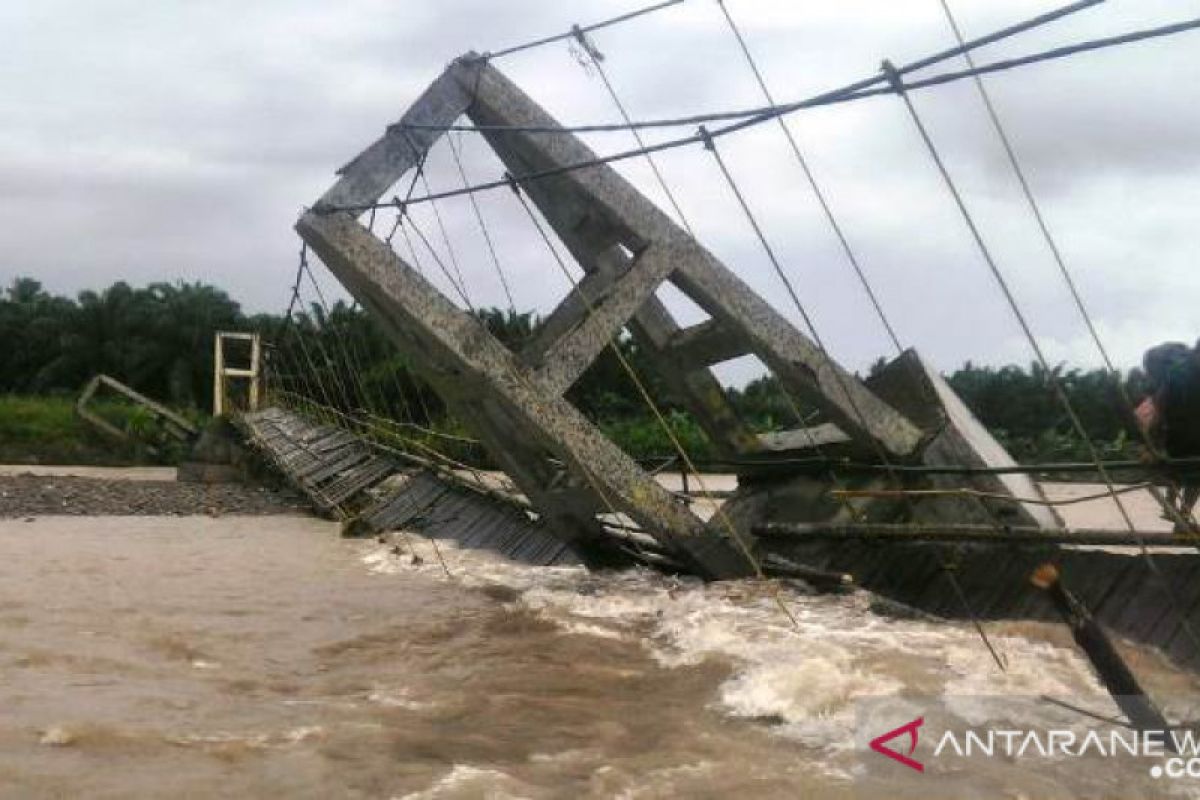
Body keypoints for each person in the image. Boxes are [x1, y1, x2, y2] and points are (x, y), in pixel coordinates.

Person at [1140, 341, 1200, 530]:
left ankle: (1180, 513)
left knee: (1191, 474)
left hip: (1186, 431)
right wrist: (1151, 444)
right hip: (1178, 430)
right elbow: (1160, 405)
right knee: (1187, 470)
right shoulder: (1179, 373)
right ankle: (1174, 507)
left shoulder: (1182, 370)